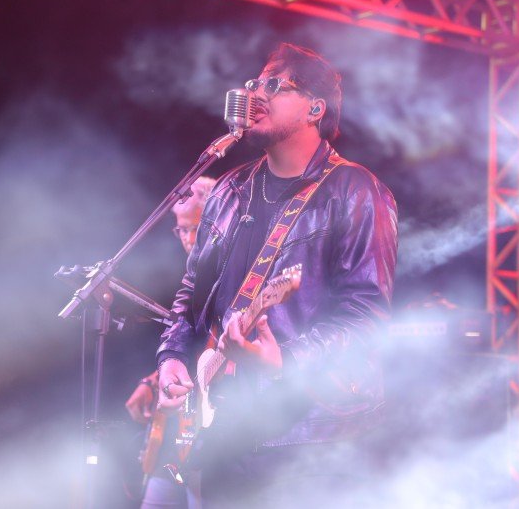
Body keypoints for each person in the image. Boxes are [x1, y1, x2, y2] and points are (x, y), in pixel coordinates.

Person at [155, 43, 398, 507]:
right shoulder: (229, 190)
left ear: (314, 108)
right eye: (254, 83)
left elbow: (365, 316)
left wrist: (286, 359)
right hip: (226, 429)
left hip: (311, 436)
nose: (256, 93)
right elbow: (192, 291)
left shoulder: (355, 190)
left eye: (274, 84)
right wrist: (172, 356)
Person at [124, 176, 216, 509]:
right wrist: (153, 380)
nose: (189, 239)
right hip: (177, 433)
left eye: (196, 228)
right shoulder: (191, 277)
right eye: (182, 230)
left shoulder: (232, 272)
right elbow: (190, 345)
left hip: (212, 436)